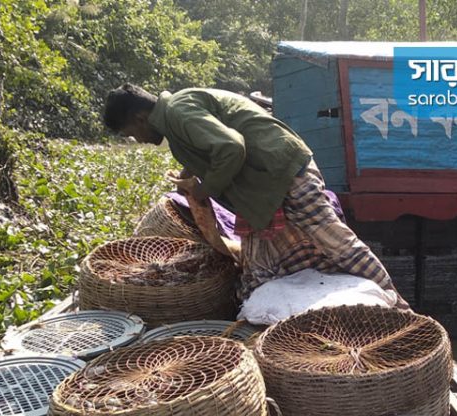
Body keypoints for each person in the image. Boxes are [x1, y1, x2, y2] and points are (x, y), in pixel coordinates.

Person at [103, 84, 408, 307]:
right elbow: (206, 146)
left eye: (132, 133)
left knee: (336, 243)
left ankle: (401, 309)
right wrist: (188, 173)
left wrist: (203, 189)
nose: (138, 140)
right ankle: (266, 329)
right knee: (255, 271)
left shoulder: (180, 110)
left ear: (140, 118)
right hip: (259, 188)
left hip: (283, 172)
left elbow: (231, 146)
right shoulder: (175, 118)